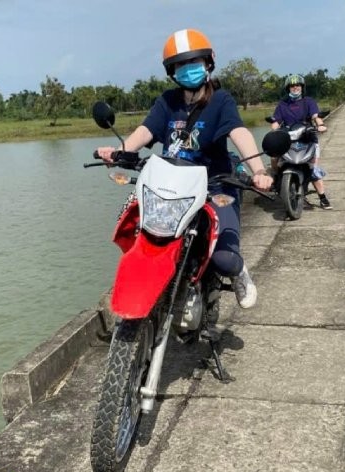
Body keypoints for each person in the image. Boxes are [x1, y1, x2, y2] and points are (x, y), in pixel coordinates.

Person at [95, 28, 273, 309]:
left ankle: (239, 273)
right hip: (171, 190)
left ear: (208, 63)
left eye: (194, 62)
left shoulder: (221, 100)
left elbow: (239, 133)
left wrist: (259, 171)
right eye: (180, 65)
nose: (188, 69)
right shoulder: (167, 101)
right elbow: (145, 131)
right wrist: (121, 152)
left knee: (223, 258)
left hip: (214, 186)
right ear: (172, 72)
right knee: (137, 235)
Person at [270, 74, 331, 210]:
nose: (295, 87)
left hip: (307, 138)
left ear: (302, 87)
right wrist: (274, 130)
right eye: (292, 85)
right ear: (288, 88)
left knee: (313, 169)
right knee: (274, 158)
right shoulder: (282, 104)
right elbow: (276, 121)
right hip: (288, 138)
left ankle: (323, 198)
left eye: (298, 85)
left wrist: (320, 125)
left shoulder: (308, 101)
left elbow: (316, 116)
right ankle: (276, 179)